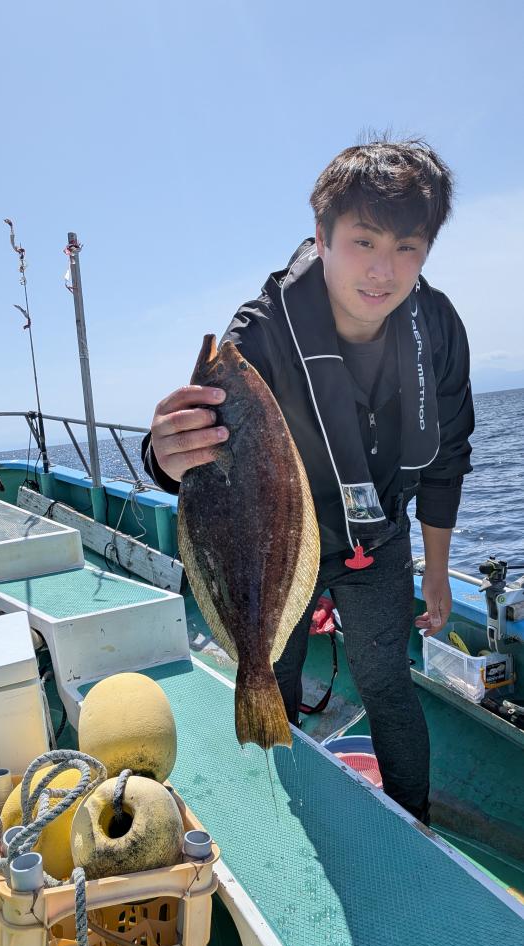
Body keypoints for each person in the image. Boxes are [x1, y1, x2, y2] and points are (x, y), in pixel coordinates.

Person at [142, 138, 474, 824]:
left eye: (407, 248)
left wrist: (437, 572)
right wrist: (162, 458)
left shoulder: (438, 329)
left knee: (388, 685)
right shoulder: (259, 336)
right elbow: (203, 458)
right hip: (284, 543)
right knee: (272, 671)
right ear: (321, 237)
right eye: (363, 241)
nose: (383, 270)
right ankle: (286, 815)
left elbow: (447, 459)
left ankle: (414, 827)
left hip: (379, 535)